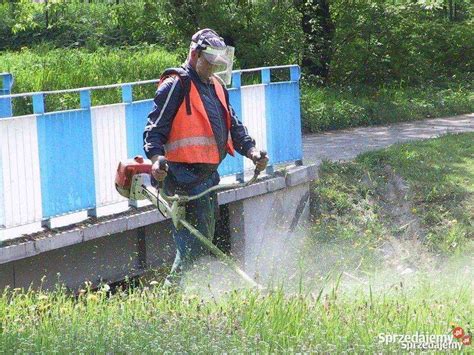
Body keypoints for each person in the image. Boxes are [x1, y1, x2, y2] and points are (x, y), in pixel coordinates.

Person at [143, 28, 269, 288]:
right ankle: (169, 298)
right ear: (195, 54)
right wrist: (156, 160)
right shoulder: (175, 85)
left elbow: (234, 126)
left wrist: (253, 152)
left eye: (216, 64)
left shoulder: (217, 86)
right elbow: (154, 131)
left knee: (200, 244)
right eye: (209, 63)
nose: (212, 69)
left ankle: (183, 296)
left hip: (208, 178)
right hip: (181, 179)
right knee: (195, 247)